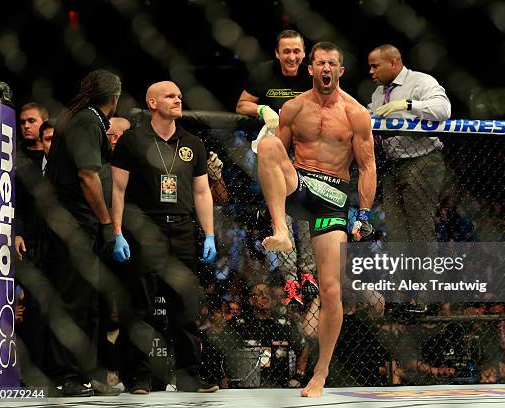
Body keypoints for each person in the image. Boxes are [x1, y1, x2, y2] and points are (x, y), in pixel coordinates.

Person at [256, 41, 376, 397]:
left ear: (340, 70)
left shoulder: (356, 113)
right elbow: (276, 155)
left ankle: (320, 373)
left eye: (332, 64)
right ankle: (281, 229)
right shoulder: (293, 108)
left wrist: (364, 214)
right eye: (320, 62)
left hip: (333, 201)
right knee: (266, 145)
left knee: (332, 290)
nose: (326, 68)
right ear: (311, 69)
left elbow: (368, 166)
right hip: (300, 186)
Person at [110, 80, 218, 394]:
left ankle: (189, 376)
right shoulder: (132, 140)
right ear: (152, 102)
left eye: (180, 96)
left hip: (183, 229)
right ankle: (139, 377)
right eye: (170, 96)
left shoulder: (192, 143)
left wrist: (209, 233)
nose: (178, 100)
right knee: (140, 307)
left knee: (185, 306)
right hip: (145, 228)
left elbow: (202, 192)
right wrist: (116, 232)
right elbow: (117, 189)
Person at [44, 69, 122, 397]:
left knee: (88, 301)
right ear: (114, 98)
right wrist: (106, 223)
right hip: (75, 221)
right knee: (74, 300)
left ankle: (83, 374)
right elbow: (88, 175)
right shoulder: (88, 121)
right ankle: (66, 376)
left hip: (75, 220)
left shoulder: (80, 116)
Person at [236, 29, 318, 306]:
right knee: (283, 214)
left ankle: (308, 274)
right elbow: (242, 104)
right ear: (277, 53)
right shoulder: (263, 73)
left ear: (304, 53)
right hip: (277, 151)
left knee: (307, 210)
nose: (292, 56)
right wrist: (261, 110)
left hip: (308, 150)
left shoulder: (313, 72)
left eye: (297, 51)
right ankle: (290, 279)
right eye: (287, 51)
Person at [367, 44, 451, 243]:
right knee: (396, 233)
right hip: (392, 164)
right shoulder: (379, 93)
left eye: (375, 66)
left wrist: (409, 104)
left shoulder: (420, 81)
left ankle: (427, 275)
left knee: (420, 229)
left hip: (423, 161)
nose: (371, 71)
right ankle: (402, 275)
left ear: (393, 63)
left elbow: (443, 109)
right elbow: (368, 116)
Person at [14, 103, 50, 387]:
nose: (26, 126)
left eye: (31, 121)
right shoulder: (16, 158)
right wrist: (15, 231)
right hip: (28, 241)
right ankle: (29, 372)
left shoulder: (58, 157)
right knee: (30, 306)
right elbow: (9, 201)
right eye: (22, 122)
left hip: (56, 242)